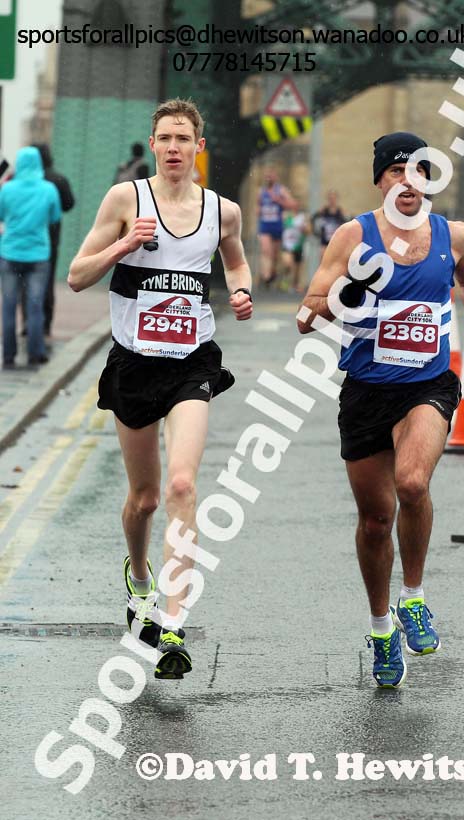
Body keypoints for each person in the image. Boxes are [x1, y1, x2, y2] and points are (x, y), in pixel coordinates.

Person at [297, 132, 464, 688]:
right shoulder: (352, 236)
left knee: (412, 484)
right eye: (395, 173)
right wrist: (346, 299)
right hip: (365, 391)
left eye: (417, 172)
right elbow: (307, 314)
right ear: (380, 183)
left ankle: (413, 598)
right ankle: (382, 627)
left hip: (427, 386)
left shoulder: (451, 234)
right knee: (374, 520)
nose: (407, 182)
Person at [68, 98, 253, 680]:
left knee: (180, 484)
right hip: (133, 365)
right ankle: (140, 577)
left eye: (184, 138)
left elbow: (238, 264)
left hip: (191, 363)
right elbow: (77, 276)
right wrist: (125, 245)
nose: (174, 147)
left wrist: (242, 292)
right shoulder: (127, 200)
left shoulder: (224, 212)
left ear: (199, 147)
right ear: (153, 145)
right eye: (164, 138)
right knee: (144, 498)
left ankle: (173, 621)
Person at [0, 146, 61, 368]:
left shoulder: (7, 189)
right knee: (35, 306)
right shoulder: (48, 189)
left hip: (9, 253)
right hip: (38, 255)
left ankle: (8, 355)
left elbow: (1, 214)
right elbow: (54, 216)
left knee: (8, 305)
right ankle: (35, 353)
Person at [32, 144, 76, 336]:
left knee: (25, 283)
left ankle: (28, 323)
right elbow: (69, 204)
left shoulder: (27, 179)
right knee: (47, 282)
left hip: (27, 239)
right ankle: (46, 324)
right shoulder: (58, 179)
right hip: (51, 238)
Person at [257, 167, 295, 287]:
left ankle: (272, 274)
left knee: (275, 255)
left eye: (271, 175)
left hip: (277, 226)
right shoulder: (261, 191)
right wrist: (258, 211)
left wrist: (279, 201)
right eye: (267, 175)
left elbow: (293, 205)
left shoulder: (281, 190)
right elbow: (258, 207)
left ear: (276, 177)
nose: (269, 177)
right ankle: (266, 276)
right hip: (265, 226)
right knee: (266, 250)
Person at [281, 199, 309, 292]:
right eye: (293, 205)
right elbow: (280, 227)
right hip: (287, 245)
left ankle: (293, 285)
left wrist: (305, 229)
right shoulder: (285, 216)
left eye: (297, 205)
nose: (295, 207)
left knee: (297, 270)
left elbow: (308, 231)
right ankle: (285, 279)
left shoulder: (303, 217)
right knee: (288, 264)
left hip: (298, 245)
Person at [312, 189, 347, 259]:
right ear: (328, 199)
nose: (332, 200)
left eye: (334, 198)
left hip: (336, 242)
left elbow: (347, 224)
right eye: (330, 198)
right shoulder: (323, 211)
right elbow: (312, 219)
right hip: (324, 242)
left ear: (337, 199)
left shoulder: (341, 212)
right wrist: (315, 233)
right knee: (323, 259)